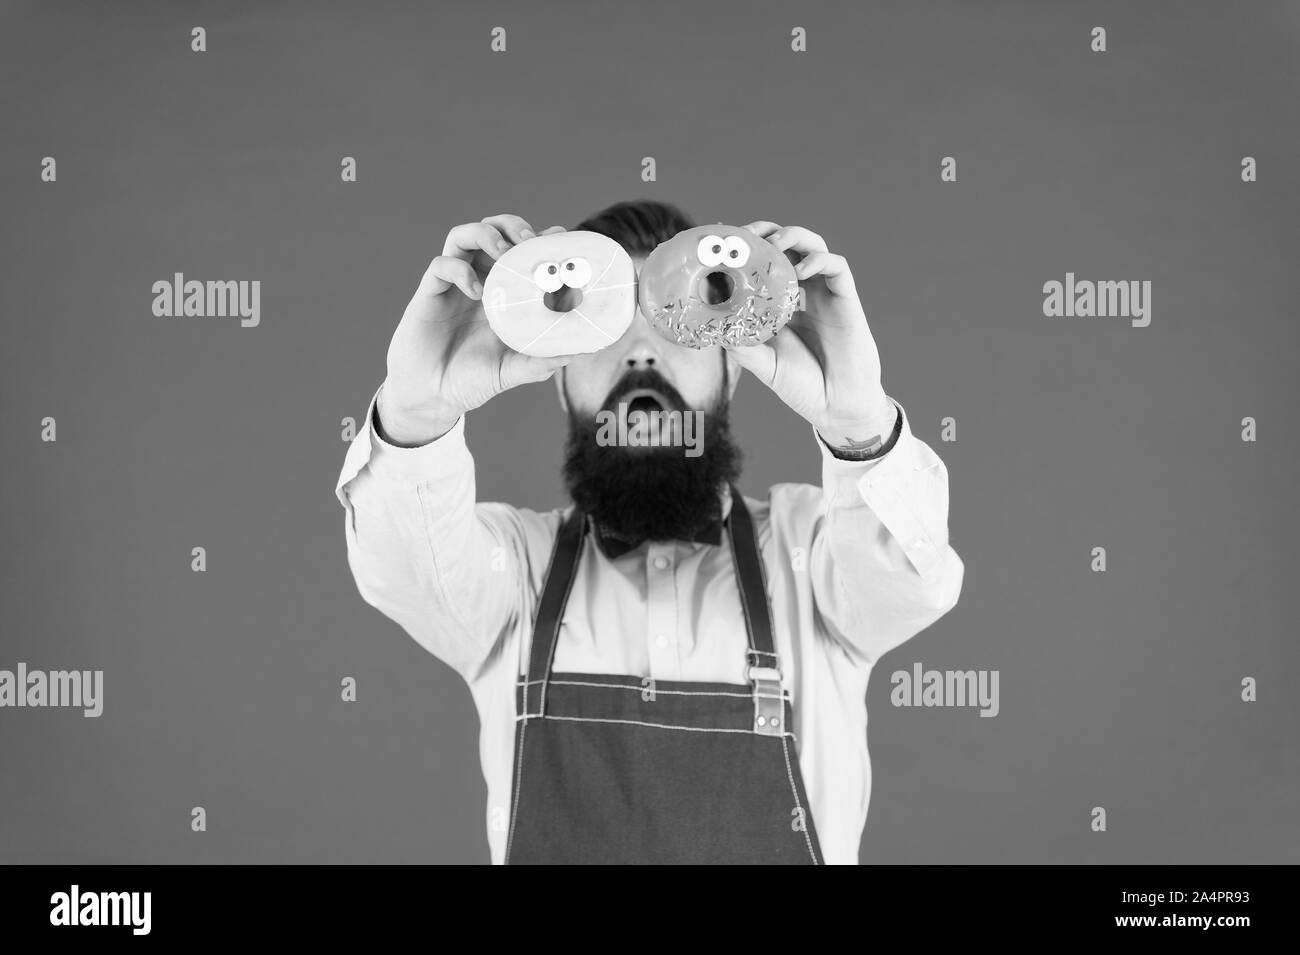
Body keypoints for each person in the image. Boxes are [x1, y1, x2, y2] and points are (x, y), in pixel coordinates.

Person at [334, 200, 964, 864]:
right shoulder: (513, 575)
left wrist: (860, 425)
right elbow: (399, 564)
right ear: (558, 380)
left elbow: (909, 581)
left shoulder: (816, 556)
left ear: (732, 368)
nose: (638, 353)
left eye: (674, 323)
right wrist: (417, 409)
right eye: (604, 327)